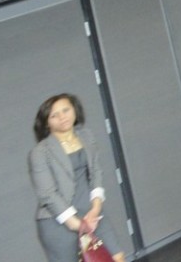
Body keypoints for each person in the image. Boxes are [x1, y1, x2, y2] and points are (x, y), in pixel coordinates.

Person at [30, 92, 126, 262]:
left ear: (74, 110)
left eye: (65, 110)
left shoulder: (86, 136)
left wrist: (96, 208)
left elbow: (96, 172)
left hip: (91, 213)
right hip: (58, 221)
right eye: (54, 115)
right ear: (47, 123)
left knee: (117, 257)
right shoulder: (40, 152)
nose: (62, 117)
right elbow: (48, 195)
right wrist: (77, 223)